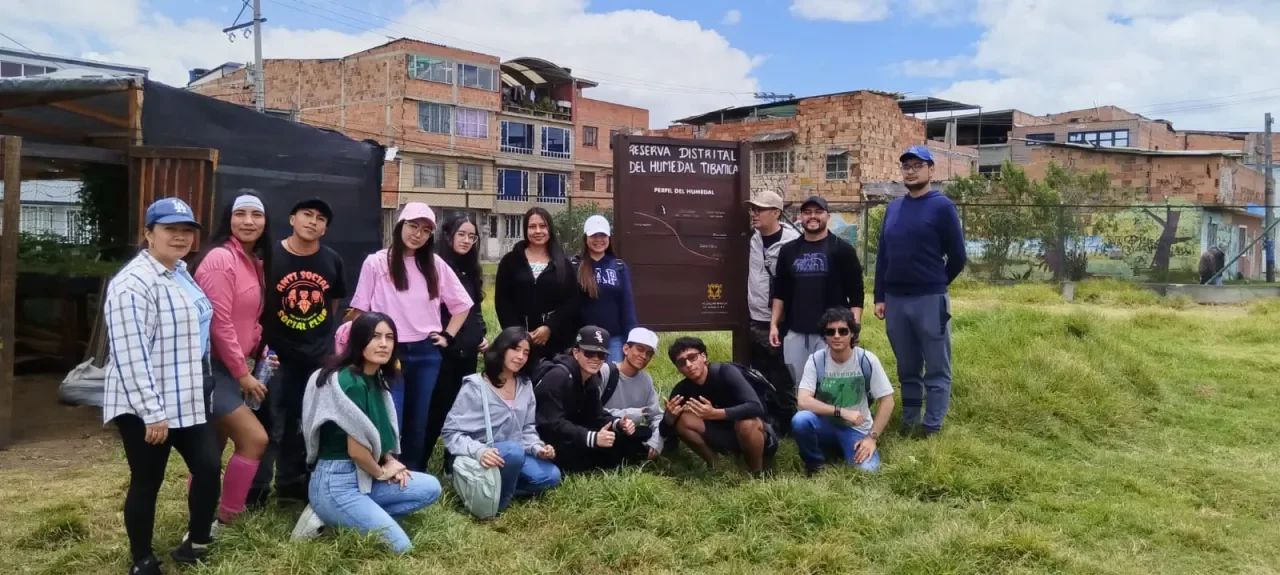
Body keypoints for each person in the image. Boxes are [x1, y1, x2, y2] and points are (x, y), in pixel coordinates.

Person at [103, 198, 220, 574]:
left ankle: (197, 540)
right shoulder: (132, 284)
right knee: (147, 480)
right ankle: (142, 559)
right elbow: (130, 356)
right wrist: (152, 413)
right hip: (145, 405)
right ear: (148, 234)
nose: (180, 236)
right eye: (170, 229)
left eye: (186, 230)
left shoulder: (180, 271)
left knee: (206, 465)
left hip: (187, 395)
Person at [292, 312, 440, 552]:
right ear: (359, 341)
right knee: (401, 547)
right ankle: (328, 513)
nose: (384, 344)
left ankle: (344, 519)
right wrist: (383, 472)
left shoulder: (376, 378)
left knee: (430, 487)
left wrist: (390, 460)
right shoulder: (351, 382)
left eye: (390, 337)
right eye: (375, 337)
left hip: (365, 477)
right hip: (336, 483)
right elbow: (358, 451)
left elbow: (378, 435)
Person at [348, 202, 473, 472]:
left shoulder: (434, 264)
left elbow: (462, 305)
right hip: (387, 351)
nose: (418, 234)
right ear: (399, 225)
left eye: (425, 230)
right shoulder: (377, 262)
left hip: (426, 353)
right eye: (413, 226)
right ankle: (385, 471)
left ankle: (414, 476)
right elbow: (360, 309)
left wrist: (447, 336)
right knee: (391, 416)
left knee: (418, 419)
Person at [251, 198, 348, 506]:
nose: (313, 221)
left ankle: (290, 486)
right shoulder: (267, 257)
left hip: (315, 357)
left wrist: (320, 341)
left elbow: (332, 304)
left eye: (320, 218)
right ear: (292, 219)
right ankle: (256, 488)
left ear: (325, 228)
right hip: (273, 355)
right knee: (267, 422)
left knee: (302, 421)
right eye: (307, 215)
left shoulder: (332, 260)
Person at [189, 191, 272, 529]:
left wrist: (258, 351)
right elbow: (218, 321)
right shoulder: (221, 259)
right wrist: (243, 374)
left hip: (230, 365)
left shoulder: (253, 261)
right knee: (255, 439)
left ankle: (203, 518)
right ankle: (225, 519)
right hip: (211, 368)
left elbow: (246, 318)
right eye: (241, 214)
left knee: (210, 451)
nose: (248, 221)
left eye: (256, 214)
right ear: (228, 218)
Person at [874, 145, 967, 437]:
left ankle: (932, 425)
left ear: (930, 170)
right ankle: (910, 420)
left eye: (917, 165)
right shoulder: (893, 208)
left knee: (937, 365)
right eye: (906, 166)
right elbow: (883, 256)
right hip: (896, 300)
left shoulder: (942, 206)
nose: (910, 170)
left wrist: (936, 283)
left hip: (930, 299)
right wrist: (879, 296)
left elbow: (958, 256)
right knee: (907, 366)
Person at [769, 194, 865, 432]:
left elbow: (857, 294)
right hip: (795, 330)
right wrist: (773, 325)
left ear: (827, 216)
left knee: (830, 384)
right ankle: (806, 429)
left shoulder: (842, 250)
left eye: (818, 212)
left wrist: (852, 328)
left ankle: (835, 428)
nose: (812, 217)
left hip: (831, 333)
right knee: (801, 385)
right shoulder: (789, 250)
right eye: (807, 212)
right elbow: (779, 292)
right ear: (800, 217)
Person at [441, 327, 561, 515]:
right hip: (478, 456)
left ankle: (490, 490)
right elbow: (450, 433)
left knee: (551, 476)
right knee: (513, 452)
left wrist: (538, 448)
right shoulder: (475, 387)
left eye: (526, 352)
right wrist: (479, 451)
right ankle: (495, 507)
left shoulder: (525, 385)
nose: (521, 356)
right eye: (515, 349)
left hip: (512, 456)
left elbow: (527, 429)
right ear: (502, 349)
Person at [792, 308, 895, 475]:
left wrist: (871, 438)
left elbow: (888, 400)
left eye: (843, 331)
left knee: (868, 473)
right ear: (824, 336)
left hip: (857, 428)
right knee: (801, 420)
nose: (837, 336)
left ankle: (846, 448)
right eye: (830, 331)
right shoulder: (816, 360)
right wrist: (841, 412)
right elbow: (803, 400)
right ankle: (814, 464)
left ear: (852, 334)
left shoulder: (866, 360)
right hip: (824, 424)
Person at [534, 326, 647, 472]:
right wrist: (592, 438)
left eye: (601, 355)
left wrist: (618, 423)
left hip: (574, 434)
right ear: (576, 352)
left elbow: (596, 415)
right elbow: (552, 424)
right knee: (606, 451)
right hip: (547, 441)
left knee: (638, 435)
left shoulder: (592, 378)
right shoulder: (557, 376)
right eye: (589, 353)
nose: (595, 359)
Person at [425, 213, 489, 472]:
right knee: (435, 410)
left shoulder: (470, 268)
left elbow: (474, 310)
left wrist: (480, 333)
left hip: (469, 352)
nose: (466, 240)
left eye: (471, 236)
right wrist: (445, 338)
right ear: (448, 236)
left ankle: (453, 466)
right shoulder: (436, 266)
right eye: (461, 234)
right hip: (445, 352)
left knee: (460, 412)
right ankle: (417, 465)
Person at [661, 337, 777, 475]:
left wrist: (715, 413)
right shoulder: (682, 389)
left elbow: (756, 407)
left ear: (703, 356)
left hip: (756, 434)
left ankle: (756, 472)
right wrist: (669, 418)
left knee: (746, 424)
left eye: (692, 357)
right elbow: (664, 432)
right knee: (683, 421)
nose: (689, 365)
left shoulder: (725, 371)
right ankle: (718, 467)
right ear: (678, 368)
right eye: (681, 362)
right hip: (721, 437)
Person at [495, 207, 579, 363]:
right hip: (519, 343)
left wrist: (549, 328)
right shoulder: (511, 261)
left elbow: (571, 301)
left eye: (543, 226)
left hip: (555, 342)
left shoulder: (563, 264)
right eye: (532, 227)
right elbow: (502, 300)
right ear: (525, 230)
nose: (538, 231)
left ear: (550, 229)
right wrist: (517, 334)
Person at [745, 190, 799, 417]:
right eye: (752, 209)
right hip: (756, 317)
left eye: (760, 209)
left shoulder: (793, 243)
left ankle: (787, 420)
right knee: (759, 371)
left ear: (776, 212)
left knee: (783, 373)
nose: (754, 214)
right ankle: (766, 418)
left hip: (783, 319)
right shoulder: (753, 239)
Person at [573, 215, 637, 359]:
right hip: (584, 340)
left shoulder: (619, 267)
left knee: (612, 378)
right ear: (586, 238)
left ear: (609, 237)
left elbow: (627, 307)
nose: (598, 239)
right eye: (594, 235)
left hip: (614, 339)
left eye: (603, 235)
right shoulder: (575, 266)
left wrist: (631, 339)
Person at [597, 328, 664, 459]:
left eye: (649, 353)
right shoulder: (605, 371)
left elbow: (656, 416)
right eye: (639, 349)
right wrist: (630, 414)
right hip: (603, 430)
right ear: (626, 349)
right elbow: (591, 412)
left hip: (628, 432)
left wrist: (656, 441)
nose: (644, 356)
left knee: (665, 436)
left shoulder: (645, 379)